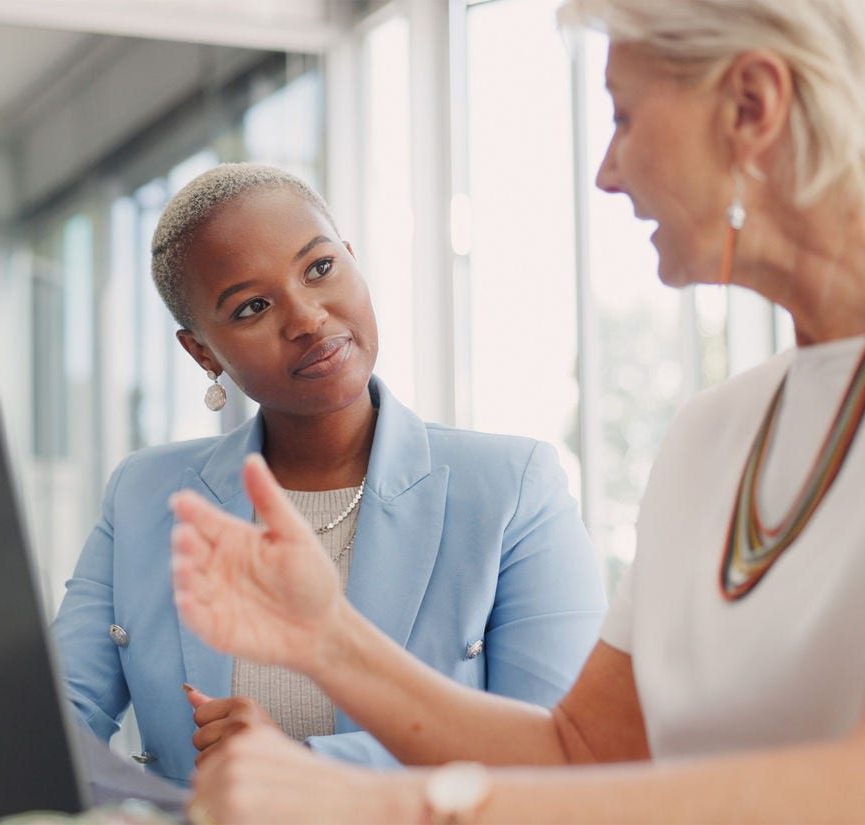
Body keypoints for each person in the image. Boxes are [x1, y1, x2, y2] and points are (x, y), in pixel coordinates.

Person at [168, 1, 865, 822]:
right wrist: (327, 636)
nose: (608, 170)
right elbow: (583, 755)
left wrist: (397, 803)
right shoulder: (709, 437)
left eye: (625, 117)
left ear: (751, 105)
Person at [50, 162, 605, 787]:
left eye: (319, 268)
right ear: (203, 351)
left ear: (351, 256)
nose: (307, 318)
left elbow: (567, 759)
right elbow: (52, 729)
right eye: (252, 306)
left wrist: (309, 768)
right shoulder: (146, 494)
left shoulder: (511, 487)